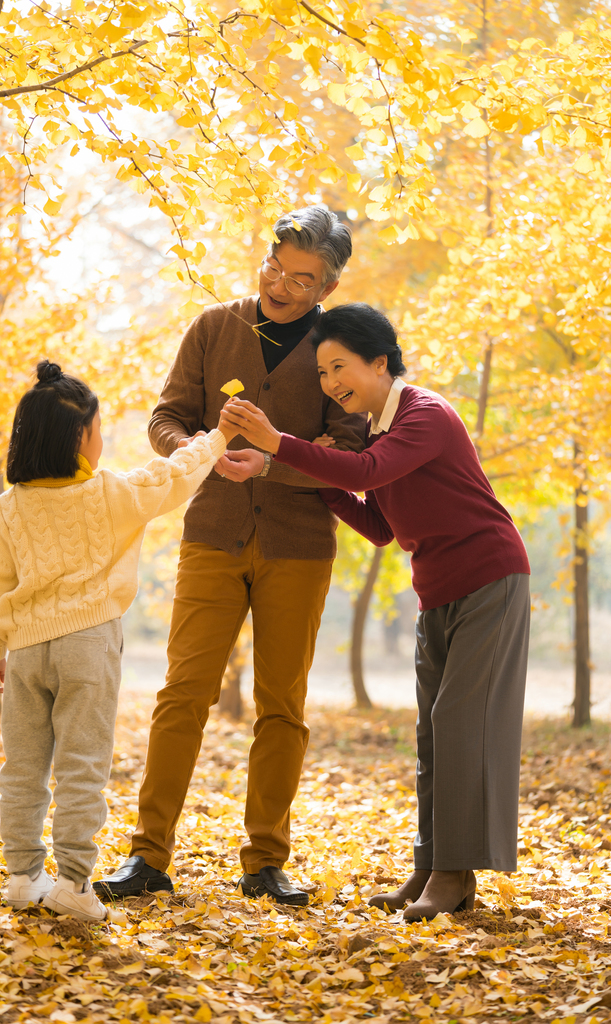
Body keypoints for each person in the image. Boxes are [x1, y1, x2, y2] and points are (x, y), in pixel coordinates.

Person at [219, 303, 531, 922]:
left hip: (490, 578)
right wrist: (290, 468)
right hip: (436, 590)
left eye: (340, 368)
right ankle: (430, 867)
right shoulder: (382, 432)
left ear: (379, 362)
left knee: (460, 723)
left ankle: (454, 874)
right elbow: (380, 525)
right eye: (323, 374)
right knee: (431, 733)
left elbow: (368, 471)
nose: (332, 383)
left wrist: (278, 444)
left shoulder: (425, 414)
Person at [93, 206, 365, 907]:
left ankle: (265, 861)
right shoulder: (215, 326)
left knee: (283, 705)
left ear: (325, 287)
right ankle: (147, 856)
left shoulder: (338, 350)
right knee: (182, 695)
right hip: (212, 536)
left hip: (298, 547)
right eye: (276, 265)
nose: (282, 283)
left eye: (302, 279)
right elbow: (165, 418)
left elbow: (349, 452)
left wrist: (271, 459)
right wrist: (205, 450)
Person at [0, 360, 235, 922]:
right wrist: (220, 437)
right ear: (76, 439)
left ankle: (20, 875)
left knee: (21, 766)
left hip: (24, 652)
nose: (100, 440)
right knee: (82, 766)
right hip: (87, 645)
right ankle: (72, 882)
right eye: (96, 430)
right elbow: (175, 474)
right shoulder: (111, 492)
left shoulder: (10, 505)